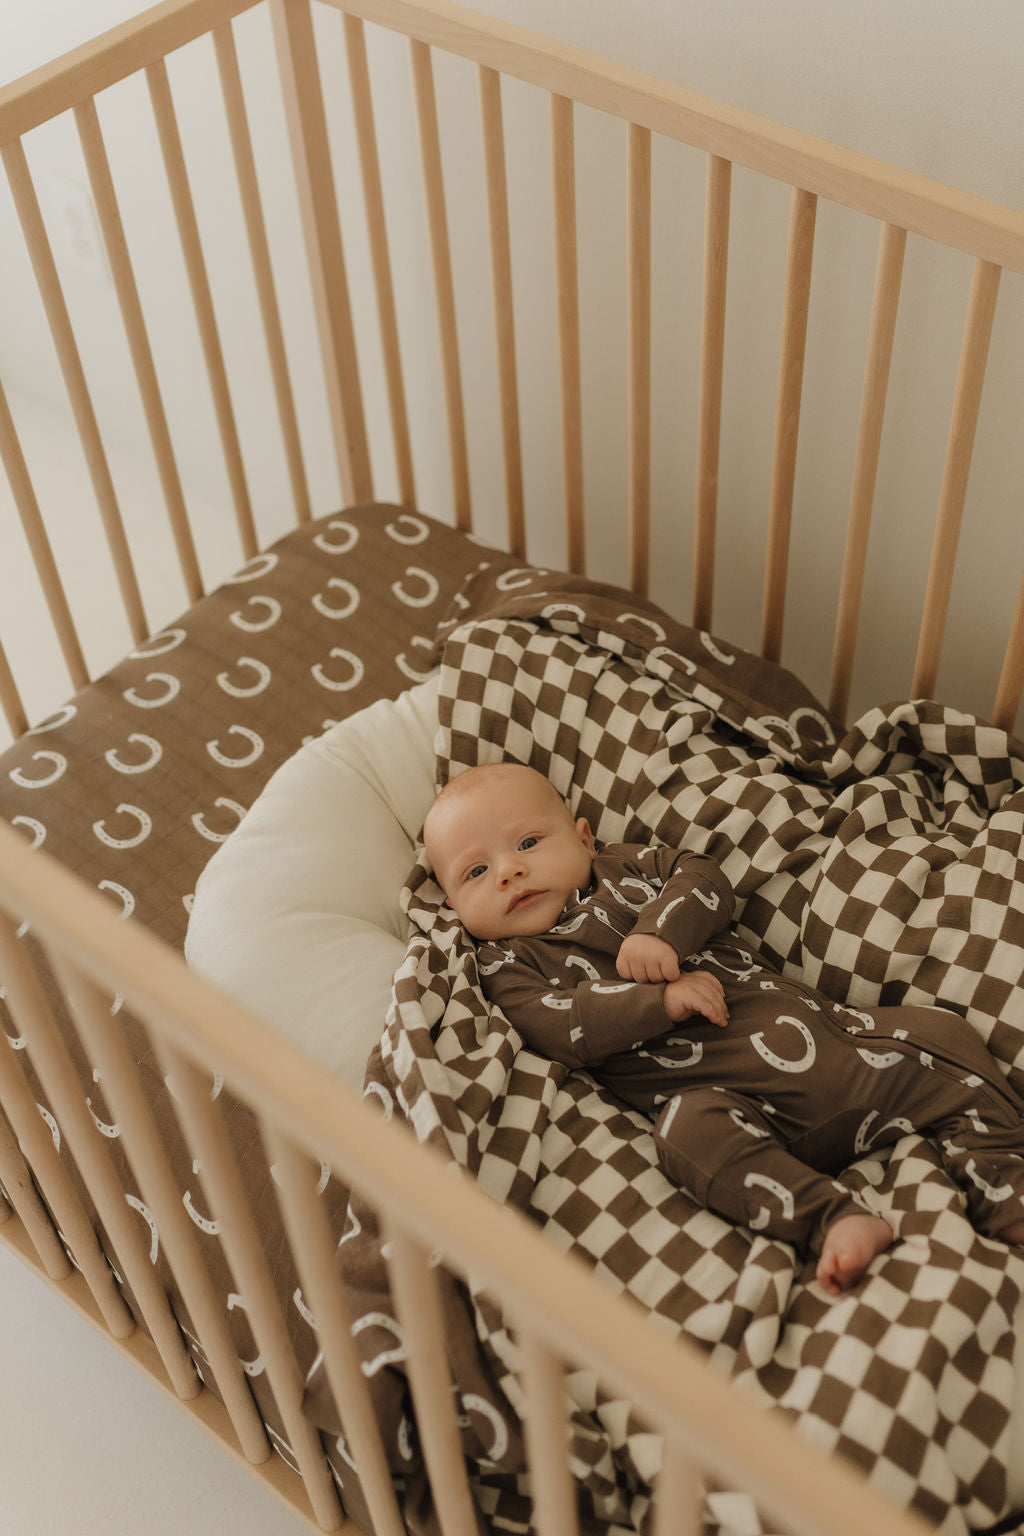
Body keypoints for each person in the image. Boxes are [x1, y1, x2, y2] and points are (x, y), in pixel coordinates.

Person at [423, 761, 1024, 1295]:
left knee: (946, 1037)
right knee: (685, 1135)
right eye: (474, 873)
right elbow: (561, 1027)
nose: (508, 871)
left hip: (849, 1048)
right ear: (452, 904)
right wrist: (656, 1002)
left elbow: (705, 879)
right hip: (739, 1107)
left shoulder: (627, 869)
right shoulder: (506, 965)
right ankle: (831, 1218)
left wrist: (661, 932)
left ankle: (1002, 1185)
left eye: (528, 841)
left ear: (583, 837)